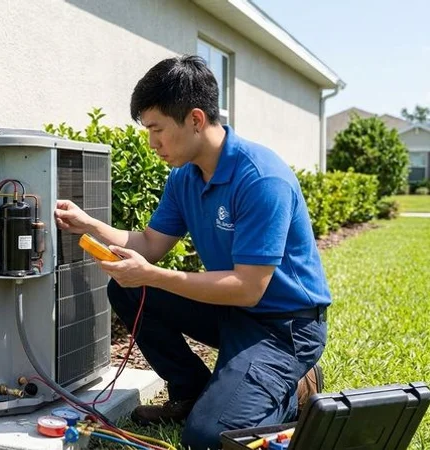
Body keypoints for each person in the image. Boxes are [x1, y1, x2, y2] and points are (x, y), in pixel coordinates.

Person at [54, 55, 329, 450]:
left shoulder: (261, 178)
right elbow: (150, 243)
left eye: (157, 130)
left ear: (196, 119)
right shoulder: (185, 177)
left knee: (208, 439)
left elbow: (248, 287)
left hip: (284, 326)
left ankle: (297, 384)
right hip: (232, 312)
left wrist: (152, 274)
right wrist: (89, 225)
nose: (152, 143)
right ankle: (190, 391)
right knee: (128, 289)